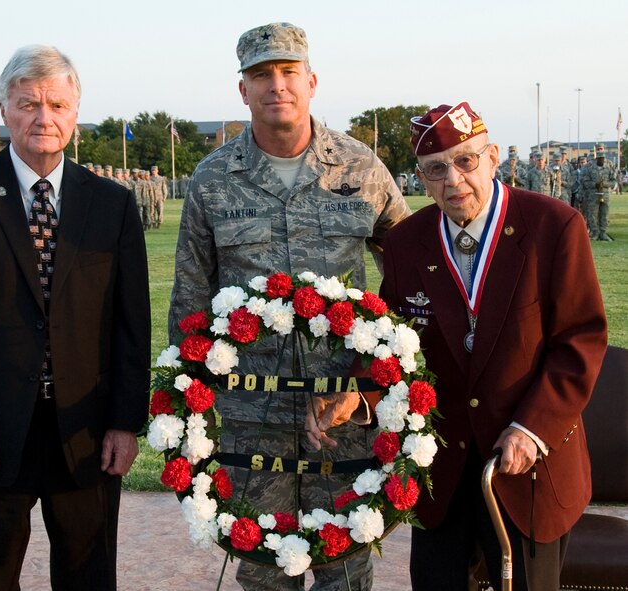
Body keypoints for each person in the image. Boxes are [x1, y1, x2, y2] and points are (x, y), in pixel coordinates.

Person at [169, 22, 409, 591]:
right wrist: (188, 407)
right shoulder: (212, 179)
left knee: (344, 561)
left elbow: (407, 269)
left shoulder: (360, 168)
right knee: (260, 564)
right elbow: (190, 298)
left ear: (312, 81)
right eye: (260, 75)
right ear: (243, 91)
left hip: (341, 407)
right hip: (251, 412)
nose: (276, 85)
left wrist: (372, 379)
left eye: (288, 72)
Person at [0, 45, 151, 591]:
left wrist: (123, 420)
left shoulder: (112, 204)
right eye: (28, 104)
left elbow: (130, 324)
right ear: (4, 109)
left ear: (75, 112)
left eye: (57, 105)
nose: (44, 118)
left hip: (85, 432)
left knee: (88, 577)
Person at [379, 102, 607, 590]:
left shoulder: (554, 226)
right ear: (420, 175)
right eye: (436, 169)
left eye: (466, 160)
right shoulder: (405, 243)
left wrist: (531, 428)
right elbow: (389, 347)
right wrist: (357, 399)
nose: (454, 180)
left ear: (493, 157)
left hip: (527, 469)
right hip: (441, 471)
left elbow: (579, 341)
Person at [582, 143, 616, 240]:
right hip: (593, 195)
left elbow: (614, 181)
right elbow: (585, 181)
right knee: (593, 215)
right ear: (596, 157)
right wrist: (595, 185)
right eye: (599, 158)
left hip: (605, 194)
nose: (601, 160)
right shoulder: (589, 166)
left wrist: (604, 184)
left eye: (603, 158)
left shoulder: (610, 165)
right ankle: (595, 233)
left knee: (604, 214)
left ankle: (603, 233)